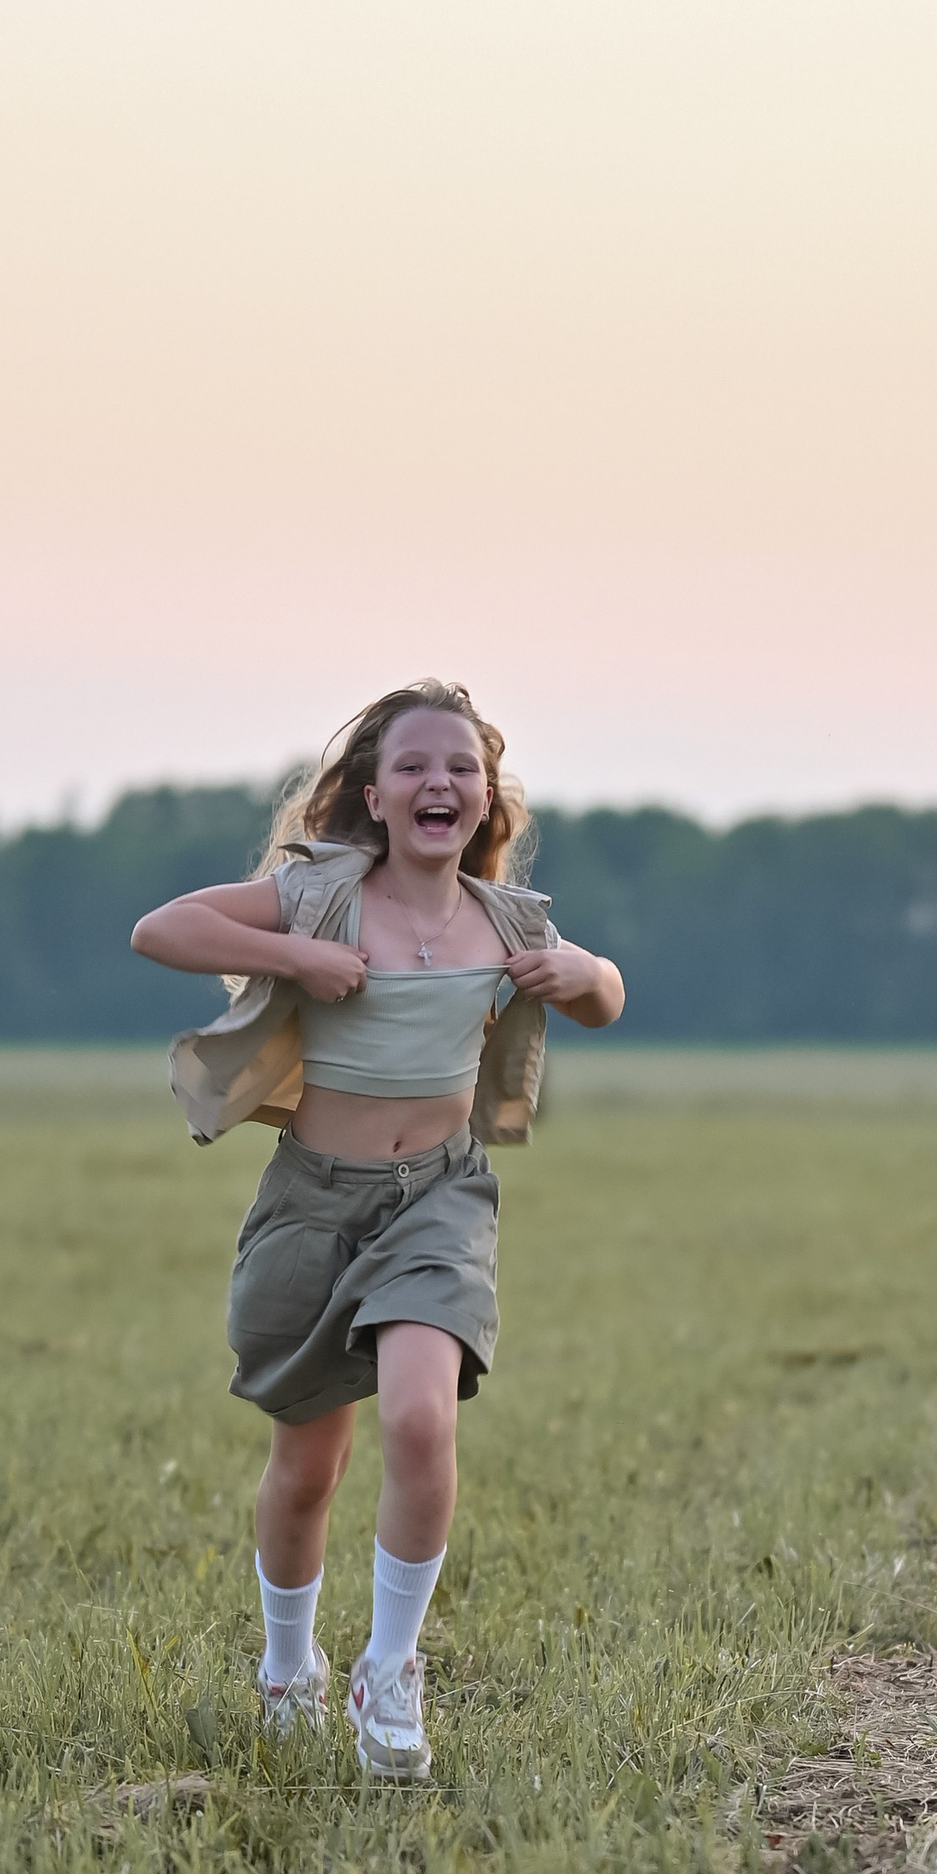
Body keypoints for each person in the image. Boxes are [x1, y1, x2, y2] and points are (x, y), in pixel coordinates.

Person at [130, 682, 624, 1779]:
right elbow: (161, 928)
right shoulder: (321, 897)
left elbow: (605, 994)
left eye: (460, 766)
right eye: (412, 765)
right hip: (313, 1202)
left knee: (416, 1419)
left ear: (486, 795)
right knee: (308, 1465)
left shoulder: (506, 922)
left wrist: (580, 973)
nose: (437, 782)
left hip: (439, 1200)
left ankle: (391, 1670)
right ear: (373, 792)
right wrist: (296, 960)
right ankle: (287, 1668)